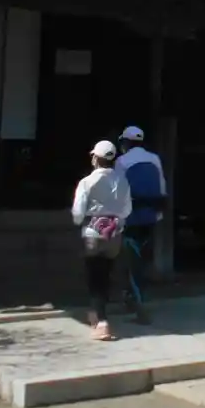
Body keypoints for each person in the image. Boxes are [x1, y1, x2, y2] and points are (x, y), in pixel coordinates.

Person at [72, 139, 132, 342]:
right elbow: (127, 209)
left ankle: (101, 321)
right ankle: (97, 314)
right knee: (105, 274)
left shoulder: (86, 182)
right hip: (114, 232)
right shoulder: (122, 181)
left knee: (94, 277)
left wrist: (81, 222)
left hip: (92, 232)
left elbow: (78, 212)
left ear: (95, 158)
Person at [115, 124, 167, 323]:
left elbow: (118, 191)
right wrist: (158, 213)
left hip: (131, 217)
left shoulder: (122, 161)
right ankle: (133, 298)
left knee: (132, 262)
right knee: (142, 260)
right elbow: (162, 187)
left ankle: (139, 306)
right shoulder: (154, 159)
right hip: (151, 217)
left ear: (126, 142)